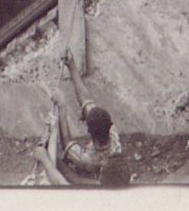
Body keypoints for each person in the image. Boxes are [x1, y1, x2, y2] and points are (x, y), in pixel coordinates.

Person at [32, 51, 128, 187]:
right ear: (110, 125)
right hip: (104, 177)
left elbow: (67, 144)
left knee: (68, 170)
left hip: (94, 179)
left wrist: (62, 106)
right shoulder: (112, 133)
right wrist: (71, 65)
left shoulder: (87, 159)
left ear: (91, 134)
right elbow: (86, 100)